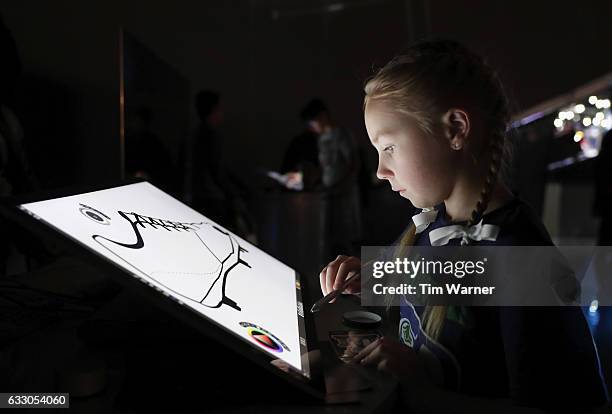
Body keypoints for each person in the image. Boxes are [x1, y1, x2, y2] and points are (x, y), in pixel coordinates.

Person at [319, 40, 608, 413]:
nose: (380, 171)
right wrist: (368, 277)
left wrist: (420, 384)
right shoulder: (431, 227)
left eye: (388, 147)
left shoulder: (521, 261)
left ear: (456, 129)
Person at [300, 98, 362, 256]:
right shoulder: (321, 139)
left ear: (322, 116)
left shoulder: (341, 135)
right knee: (329, 235)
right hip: (329, 193)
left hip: (344, 194)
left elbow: (352, 164)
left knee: (346, 233)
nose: (312, 128)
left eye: (312, 123)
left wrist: (341, 185)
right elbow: (325, 168)